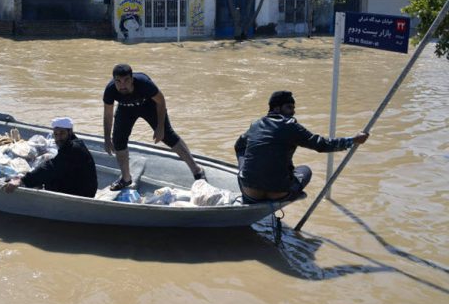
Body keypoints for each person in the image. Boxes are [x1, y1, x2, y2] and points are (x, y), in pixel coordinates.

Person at [234, 91, 370, 204]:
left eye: (293, 108)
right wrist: (353, 140)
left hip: (250, 193)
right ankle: (281, 190)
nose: (293, 112)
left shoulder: (255, 125)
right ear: (276, 108)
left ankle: (249, 180)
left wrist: (245, 169)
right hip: (279, 193)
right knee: (305, 170)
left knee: (245, 161)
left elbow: (239, 146)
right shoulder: (290, 125)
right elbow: (321, 144)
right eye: (289, 107)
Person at [103, 64, 205, 190]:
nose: (122, 85)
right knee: (118, 141)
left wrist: (160, 127)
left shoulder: (144, 83)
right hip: (126, 108)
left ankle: (197, 170)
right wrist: (107, 139)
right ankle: (126, 178)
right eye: (118, 81)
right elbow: (108, 115)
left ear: (132, 79)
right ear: (114, 81)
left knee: (168, 135)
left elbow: (161, 101)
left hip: (149, 105)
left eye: (126, 80)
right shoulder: (110, 90)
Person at [2, 117, 98, 198]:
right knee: (44, 175)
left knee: (47, 177)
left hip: (83, 193)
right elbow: (54, 165)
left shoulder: (73, 149)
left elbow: (50, 167)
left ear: (70, 132)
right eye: (56, 134)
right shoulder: (75, 143)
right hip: (84, 188)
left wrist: (22, 180)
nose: (58, 138)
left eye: (62, 133)